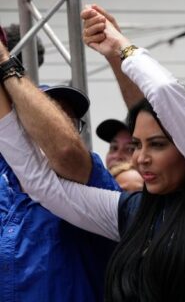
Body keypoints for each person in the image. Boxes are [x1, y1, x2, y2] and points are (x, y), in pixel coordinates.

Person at [0, 10, 185, 301]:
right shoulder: (132, 212)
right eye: (137, 144)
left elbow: (165, 94)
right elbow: (40, 183)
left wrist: (121, 48)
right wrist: (3, 65)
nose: (141, 158)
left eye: (158, 144)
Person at [0, 41, 119, 301]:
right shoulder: (4, 181)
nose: (58, 129)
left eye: (69, 123)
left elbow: (65, 152)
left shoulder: (91, 179)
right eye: (47, 120)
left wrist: (4, 61)